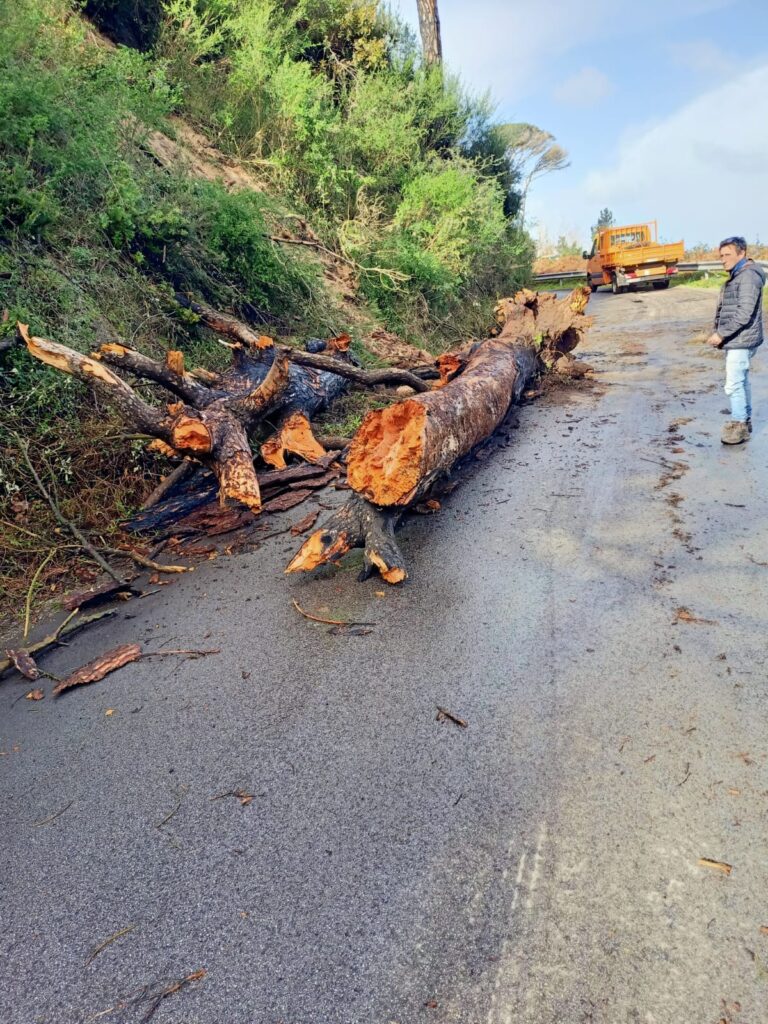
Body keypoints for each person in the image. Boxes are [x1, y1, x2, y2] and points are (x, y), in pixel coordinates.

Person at [707, 236, 765, 444]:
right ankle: (744, 420)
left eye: (727, 254)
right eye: (721, 255)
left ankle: (739, 424)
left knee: (733, 384)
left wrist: (721, 334)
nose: (723, 259)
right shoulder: (740, 274)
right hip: (740, 338)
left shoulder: (747, 276)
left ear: (742, 253)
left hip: (741, 339)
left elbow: (744, 312)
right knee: (741, 380)